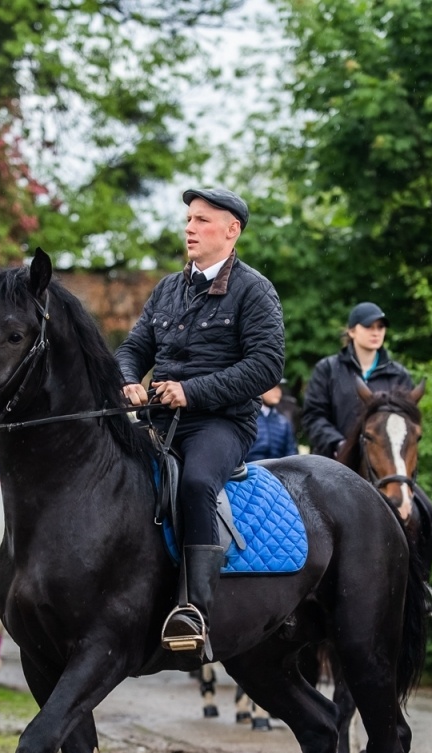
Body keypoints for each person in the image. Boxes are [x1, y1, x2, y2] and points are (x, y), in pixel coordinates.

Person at [117, 187, 286, 653]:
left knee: (194, 484)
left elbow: (267, 365)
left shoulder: (255, 290)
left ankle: (195, 611)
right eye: (188, 219)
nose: (189, 228)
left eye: (202, 221)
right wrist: (129, 379)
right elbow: (132, 349)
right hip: (156, 419)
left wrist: (191, 392)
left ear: (232, 231)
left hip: (221, 425)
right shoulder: (168, 288)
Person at [302, 302, 416, 458]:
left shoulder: (399, 375)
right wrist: (338, 444)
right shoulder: (327, 369)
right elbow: (313, 416)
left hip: (382, 469)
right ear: (351, 331)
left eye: (380, 327)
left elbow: (408, 425)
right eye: (369, 327)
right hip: (332, 465)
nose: (376, 332)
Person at [244, 379, 297, 461]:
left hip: (277, 472)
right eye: (273, 388)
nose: (278, 392)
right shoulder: (247, 418)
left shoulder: (283, 422)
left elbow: (291, 454)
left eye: (279, 388)